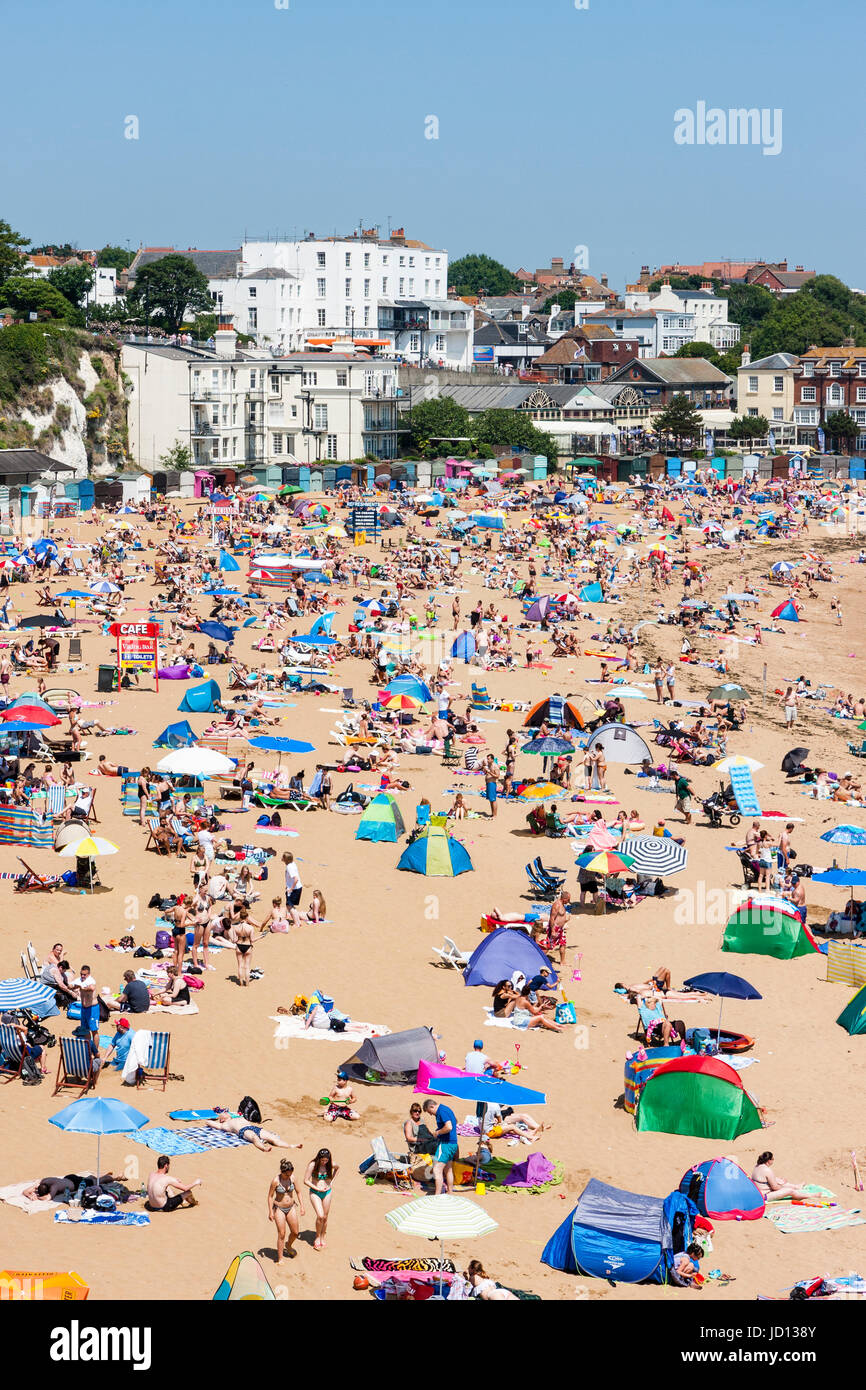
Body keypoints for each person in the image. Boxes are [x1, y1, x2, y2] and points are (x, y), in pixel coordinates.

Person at [205, 1109, 302, 1153]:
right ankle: (264, 1148)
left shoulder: (238, 1117)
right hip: (243, 1130)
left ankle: (290, 1146)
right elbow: (208, 1122)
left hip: (253, 1127)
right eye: (224, 1113)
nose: (226, 1112)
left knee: (272, 1137)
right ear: (221, 1119)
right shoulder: (224, 1124)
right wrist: (215, 1117)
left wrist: (230, 1113)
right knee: (254, 1137)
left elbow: (241, 1112)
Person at [268, 1159, 304, 1264]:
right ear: (282, 1172)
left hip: (291, 1207)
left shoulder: (293, 1178)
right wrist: (270, 1211)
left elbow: (299, 1192)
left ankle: (288, 1245)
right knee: (282, 1233)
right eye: (286, 1175)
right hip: (279, 1208)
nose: (288, 1177)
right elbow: (270, 1197)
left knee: (295, 1232)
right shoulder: (276, 1181)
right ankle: (280, 1258)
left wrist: (302, 1206)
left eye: (290, 1174)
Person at [304, 1148, 339, 1250]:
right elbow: (305, 1180)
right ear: (319, 1158)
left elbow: (338, 1168)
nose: (324, 1162)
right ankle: (317, 1237)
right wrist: (317, 1188)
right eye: (322, 1160)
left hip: (327, 1192)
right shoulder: (312, 1165)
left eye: (326, 1160)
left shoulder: (330, 1164)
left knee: (325, 1217)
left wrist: (332, 1181)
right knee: (320, 1215)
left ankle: (323, 1236)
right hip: (315, 1192)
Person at [423, 1097, 458, 1194]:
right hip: (452, 1143)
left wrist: (438, 1132)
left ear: (432, 1106)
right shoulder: (446, 1109)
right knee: (448, 1169)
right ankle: (450, 1192)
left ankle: (437, 1196)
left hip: (446, 1144)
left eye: (429, 1111)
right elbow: (455, 1121)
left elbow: (449, 1127)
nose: (430, 1114)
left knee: (437, 1169)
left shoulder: (441, 1111)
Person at [544, 889, 571, 966]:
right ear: (564, 899)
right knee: (549, 945)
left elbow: (560, 917)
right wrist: (552, 931)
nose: (569, 901)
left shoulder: (562, 905)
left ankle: (562, 962)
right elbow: (552, 918)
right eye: (568, 899)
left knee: (563, 944)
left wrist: (565, 921)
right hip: (554, 928)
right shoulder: (556, 905)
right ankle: (539, 957)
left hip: (560, 929)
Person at [282, 851, 303, 928]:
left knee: (289, 906)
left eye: (283, 857)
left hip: (294, 889)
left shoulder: (289, 867)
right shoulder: (292, 864)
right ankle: (298, 922)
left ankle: (296, 923)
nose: (281, 858)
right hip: (297, 887)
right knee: (291, 906)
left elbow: (296, 879)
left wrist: (291, 888)